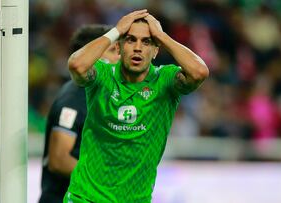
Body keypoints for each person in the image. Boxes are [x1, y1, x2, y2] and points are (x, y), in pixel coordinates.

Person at [64, 9, 209, 202]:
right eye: (131, 40)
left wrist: (162, 35)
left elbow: (199, 72)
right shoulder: (102, 75)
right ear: (119, 47)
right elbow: (76, 65)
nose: (138, 48)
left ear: (156, 50)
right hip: (86, 196)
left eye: (147, 41)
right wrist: (116, 30)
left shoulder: (164, 81)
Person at [38, 24, 120, 203]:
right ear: (92, 54)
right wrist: (106, 180)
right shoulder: (74, 97)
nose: (119, 57)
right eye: (113, 50)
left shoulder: (98, 93)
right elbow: (59, 159)